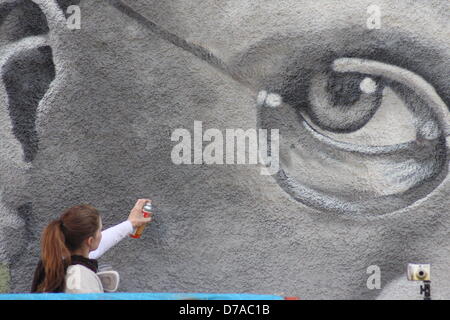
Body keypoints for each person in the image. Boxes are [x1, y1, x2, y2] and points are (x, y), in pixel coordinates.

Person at [30, 199, 152, 293]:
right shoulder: (80, 276)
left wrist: (130, 224)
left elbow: (93, 247)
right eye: (100, 230)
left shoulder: (53, 263)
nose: (101, 233)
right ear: (90, 241)